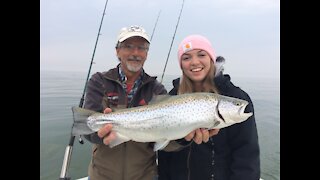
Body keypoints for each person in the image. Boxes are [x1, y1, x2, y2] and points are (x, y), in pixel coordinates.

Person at [158, 34, 260, 180]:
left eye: (201, 55)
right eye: (186, 58)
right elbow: (165, 154)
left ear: (211, 58)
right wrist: (182, 140)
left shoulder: (236, 97)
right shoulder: (173, 96)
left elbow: (246, 154)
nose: (194, 62)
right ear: (181, 65)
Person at [83, 25, 168, 180]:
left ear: (146, 54)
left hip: (145, 176)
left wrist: (184, 136)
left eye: (141, 48)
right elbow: (86, 128)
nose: (135, 53)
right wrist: (100, 134)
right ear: (117, 51)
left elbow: (167, 138)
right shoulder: (99, 81)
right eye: (128, 46)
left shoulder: (157, 90)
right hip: (102, 175)